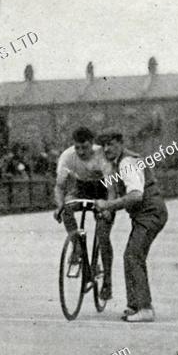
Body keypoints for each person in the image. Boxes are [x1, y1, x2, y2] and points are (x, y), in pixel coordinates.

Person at [94, 129, 168, 322]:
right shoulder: (119, 162)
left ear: (120, 143)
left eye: (111, 144)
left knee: (133, 255)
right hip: (146, 214)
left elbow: (136, 195)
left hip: (150, 213)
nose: (107, 149)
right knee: (131, 255)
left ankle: (145, 308)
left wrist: (108, 205)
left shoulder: (127, 162)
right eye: (104, 146)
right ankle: (134, 305)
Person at [53, 127, 117, 300]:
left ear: (92, 144)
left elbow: (111, 190)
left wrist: (108, 210)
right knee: (66, 209)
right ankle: (79, 249)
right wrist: (59, 206)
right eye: (77, 148)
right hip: (82, 188)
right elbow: (59, 186)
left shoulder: (102, 156)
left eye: (85, 147)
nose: (81, 152)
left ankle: (108, 282)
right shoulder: (67, 156)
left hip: (103, 190)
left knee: (103, 235)